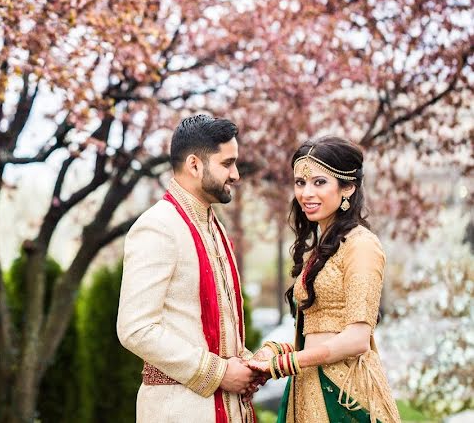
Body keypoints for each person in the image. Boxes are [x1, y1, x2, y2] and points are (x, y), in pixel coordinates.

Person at [117, 115, 262, 423]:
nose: (236, 175)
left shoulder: (213, 227)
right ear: (195, 165)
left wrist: (248, 365)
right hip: (180, 410)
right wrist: (220, 372)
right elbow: (135, 328)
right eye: (227, 163)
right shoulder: (158, 227)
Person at [246, 137, 401, 422]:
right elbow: (319, 334)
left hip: (346, 396)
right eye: (300, 183)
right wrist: (275, 351)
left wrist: (284, 363)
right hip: (306, 388)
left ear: (348, 188)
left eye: (319, 182)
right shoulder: (322, 249)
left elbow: (357, 340)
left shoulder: (361, 245)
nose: (306, 193)